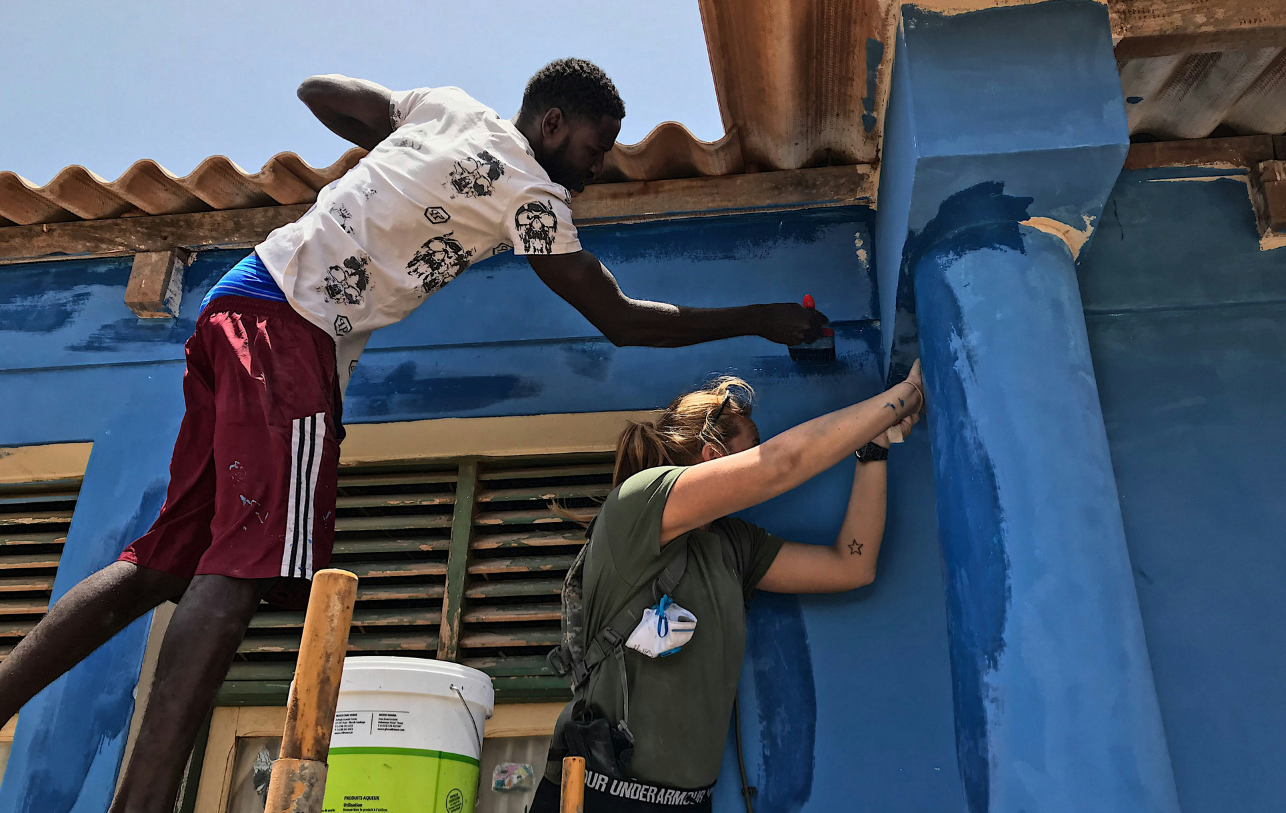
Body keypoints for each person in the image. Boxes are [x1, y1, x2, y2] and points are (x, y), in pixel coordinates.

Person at [0, 59, 827, 813]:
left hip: (238, 298)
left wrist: (399, 154)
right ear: (551, 127)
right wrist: (766, 319)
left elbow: (318, 93)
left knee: (164, 560)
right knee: (242, 567)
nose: (600, 162)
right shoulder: (532, 196)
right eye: (596, 144)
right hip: (295, 332)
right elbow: (619, 320)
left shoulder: (448, 108)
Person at [530, 362, 926, 812]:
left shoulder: (733, 544)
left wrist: (873, 449)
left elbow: (851, 566)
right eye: (750, 448)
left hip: (688, 802)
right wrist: (909, 394)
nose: (757, 459)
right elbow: (781, 465)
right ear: (713, 456)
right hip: (601, 794)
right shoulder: (638, 503)